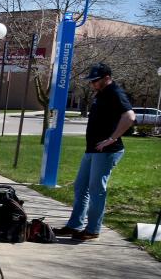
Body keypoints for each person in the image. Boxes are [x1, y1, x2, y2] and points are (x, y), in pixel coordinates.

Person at [53, 63, 135, 241]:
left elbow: (129, 117)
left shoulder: (115, 92)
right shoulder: (102, 93)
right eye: (91, 81)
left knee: (96, 190)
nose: (92, 84)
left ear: (107, 77)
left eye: (95, 81)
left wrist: (112, 138)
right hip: (92, 149)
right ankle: (74, 225)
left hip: (107, 151)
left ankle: (92, 230)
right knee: (81, 187)